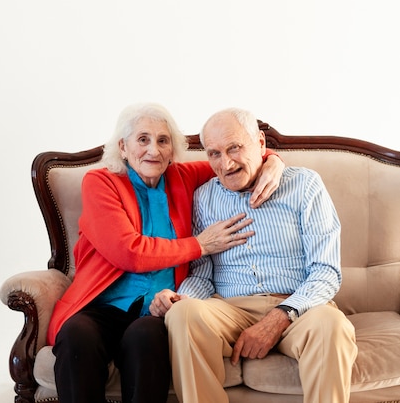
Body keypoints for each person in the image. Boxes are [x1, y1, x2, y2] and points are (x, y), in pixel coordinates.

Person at [47, 102, 284, 403]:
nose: (154, 151)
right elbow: (128, 253)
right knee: (76, 334)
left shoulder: (182, 177)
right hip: (103, 306)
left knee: (146, 338)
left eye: (163, 141)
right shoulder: (101, 182)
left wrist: (274, 161)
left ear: (173, 150)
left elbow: (235, 160)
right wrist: (200, 244)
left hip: (158, 310)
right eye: (143, 139)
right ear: (123, 147)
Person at [151, 107, 358, 403]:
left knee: (332, 325)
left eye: (234, 148)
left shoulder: (304, 185)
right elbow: (201, 273)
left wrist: (279, 316)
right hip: (229, 308)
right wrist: (182, 298)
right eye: (214, 154)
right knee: (183, 313)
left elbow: (325, 272)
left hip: (299, 308)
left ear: (260, 143)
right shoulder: (204, 197)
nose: (226, 163)